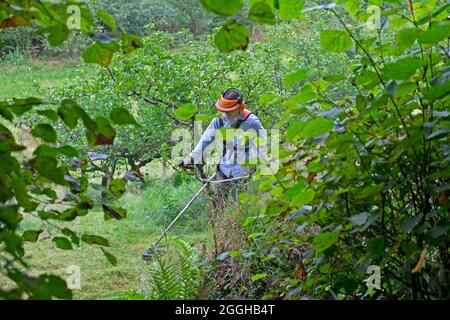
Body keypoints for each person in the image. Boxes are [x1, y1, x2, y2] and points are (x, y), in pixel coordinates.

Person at [179, 88, 267, 204]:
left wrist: (256, 163)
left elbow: (263, 144)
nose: (225, 114)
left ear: (240, 108)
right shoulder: (218, 121)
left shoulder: (252, 122)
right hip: (224, 168)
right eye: (222, 110)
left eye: (229, 111)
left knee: (240, 205)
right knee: (219, 203)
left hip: (242, 172)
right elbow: (205, 140)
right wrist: (191, 158)